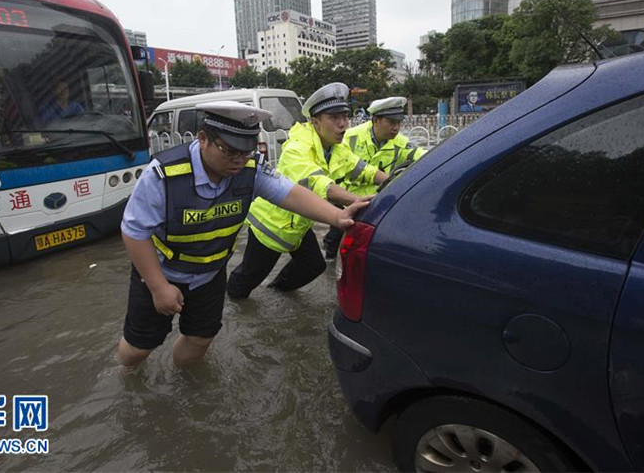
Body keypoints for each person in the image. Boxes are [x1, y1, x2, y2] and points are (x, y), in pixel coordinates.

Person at [116, 101, 368, 369]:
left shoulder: (250, 168)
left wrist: (338, 217)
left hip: (210, 273)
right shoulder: (163, 175)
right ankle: (128, 378)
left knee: (200, 340)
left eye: (246, 151)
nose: (239, 160)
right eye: (230, 151)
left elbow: (290, 193)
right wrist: (158, 287)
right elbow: (134, 232)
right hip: (162, 272)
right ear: (203, 139)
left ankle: (182, 382)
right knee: (139, 348)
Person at [226, 83, 388, 300]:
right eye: (334, 118)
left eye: (345, 117)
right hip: (272, 226)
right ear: (315, 121)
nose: (343, 125)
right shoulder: (297, 148)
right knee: (245, 282)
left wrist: (393, 183)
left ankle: (276, 292)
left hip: (299, 225)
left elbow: (362, 169)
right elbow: (319, 184)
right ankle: (230, 308)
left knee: (314, 266)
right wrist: (358, 200)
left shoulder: (335, 147)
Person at [322, 96, 427, 259]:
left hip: (375, 204)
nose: (396, 128)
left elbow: (422, 156)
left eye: (399, 122)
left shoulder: (400, 143)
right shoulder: (349, 138)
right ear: (376, 120)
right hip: (346, 202)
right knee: (334, 245)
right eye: (391, 122)